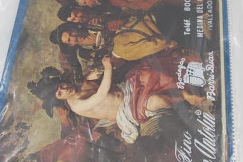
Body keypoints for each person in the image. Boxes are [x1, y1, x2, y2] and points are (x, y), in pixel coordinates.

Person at [54, 57, 204, 143]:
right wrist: (108, 68)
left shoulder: (78, 83)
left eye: (62, 86)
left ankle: (190, 77)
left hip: (128, 89)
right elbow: (101, 94)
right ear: (62, 99)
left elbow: (96, 74)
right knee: (156, 101)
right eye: (60, 93)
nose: (65, 90)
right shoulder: (76, 106)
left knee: (150, 72)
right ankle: (185, 97)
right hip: (127, 109)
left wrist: (102, 66)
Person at [20, 126, 103, 162]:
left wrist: (64, 121)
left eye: (38, 154)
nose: (42, 154)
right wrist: (97, 144)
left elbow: (66, 138)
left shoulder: (45, 150)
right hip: (98, 140)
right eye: (43, 159)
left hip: (87, 129)